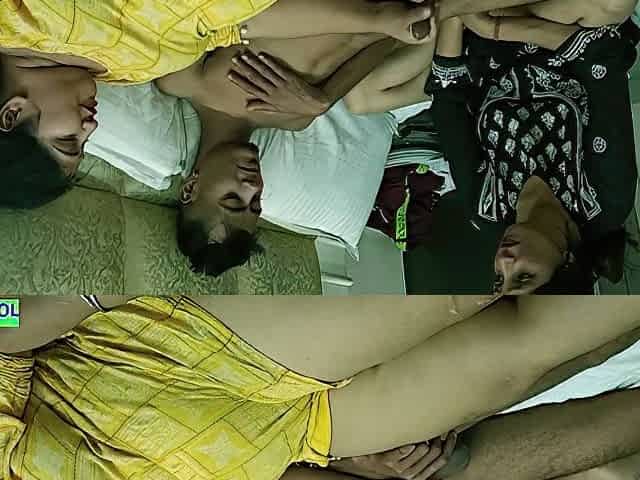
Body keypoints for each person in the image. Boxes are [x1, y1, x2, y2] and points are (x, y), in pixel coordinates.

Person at [2, 294, 640, 479]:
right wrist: (345, 466)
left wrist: (91, 295)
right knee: (516, 358)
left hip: (178, 355)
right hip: (294, 441)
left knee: (462, 297)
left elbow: (3, 321)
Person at [0, 0, 442, 209]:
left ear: (12, 113)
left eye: (68, 141)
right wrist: (324, 98)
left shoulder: (16, 21)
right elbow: (224, 28)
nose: (91, 129)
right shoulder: (131, 72)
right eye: (256, 204)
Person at [426, 13, 639, 295]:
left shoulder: (485, 211)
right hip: (563, 23)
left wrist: (455, 15)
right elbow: (603, 59)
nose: (504, 262)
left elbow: (447, 101)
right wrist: (494, 26)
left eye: (499, 279)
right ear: (568, 263)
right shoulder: (606, 198)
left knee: (371, 92)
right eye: (524, 276)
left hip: (479, 39)